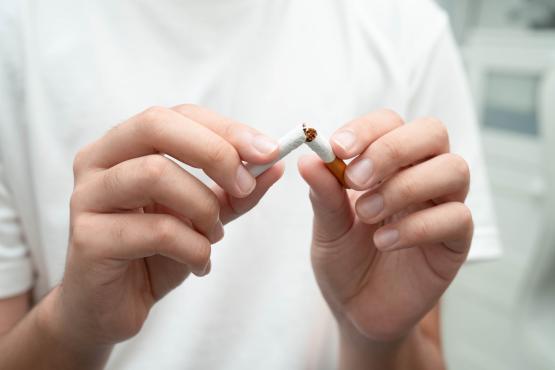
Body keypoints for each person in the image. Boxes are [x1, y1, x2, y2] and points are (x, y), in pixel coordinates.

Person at [0, 0, 501, 369]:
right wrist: (74, 326)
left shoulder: (407, 30)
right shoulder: (17, 33)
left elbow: (426, 352)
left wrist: (374, 339)